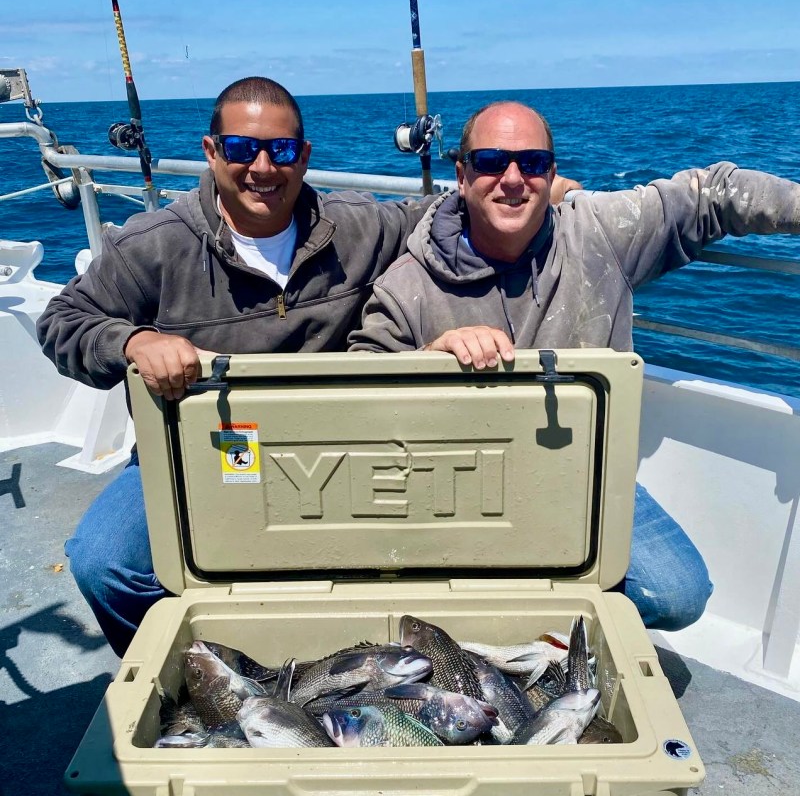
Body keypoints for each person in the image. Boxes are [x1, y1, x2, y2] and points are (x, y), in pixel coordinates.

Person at [36, 79, 580, 656]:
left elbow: (446, 211)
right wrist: (132, 340)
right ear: (212, 151)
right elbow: (62, 321)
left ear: (306, 156)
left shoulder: (357, 228)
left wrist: (549, 191)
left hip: (332, 450)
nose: (264, 168)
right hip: (203, 450)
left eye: (284, 151)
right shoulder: (153, 244)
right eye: (243, 149)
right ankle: (199, 667)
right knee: (105, 563)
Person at [349, 100, 800, 631]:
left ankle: (525, 618)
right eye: (492, 161)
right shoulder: (406, 285)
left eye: (533, 164)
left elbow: (710, 193)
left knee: (680, 595)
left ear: (552, 173)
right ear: (462, 173)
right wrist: (432, 355)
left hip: (587, 475)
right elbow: (361, 392)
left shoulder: (599, 233)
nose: (513, 179)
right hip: (459, 490)